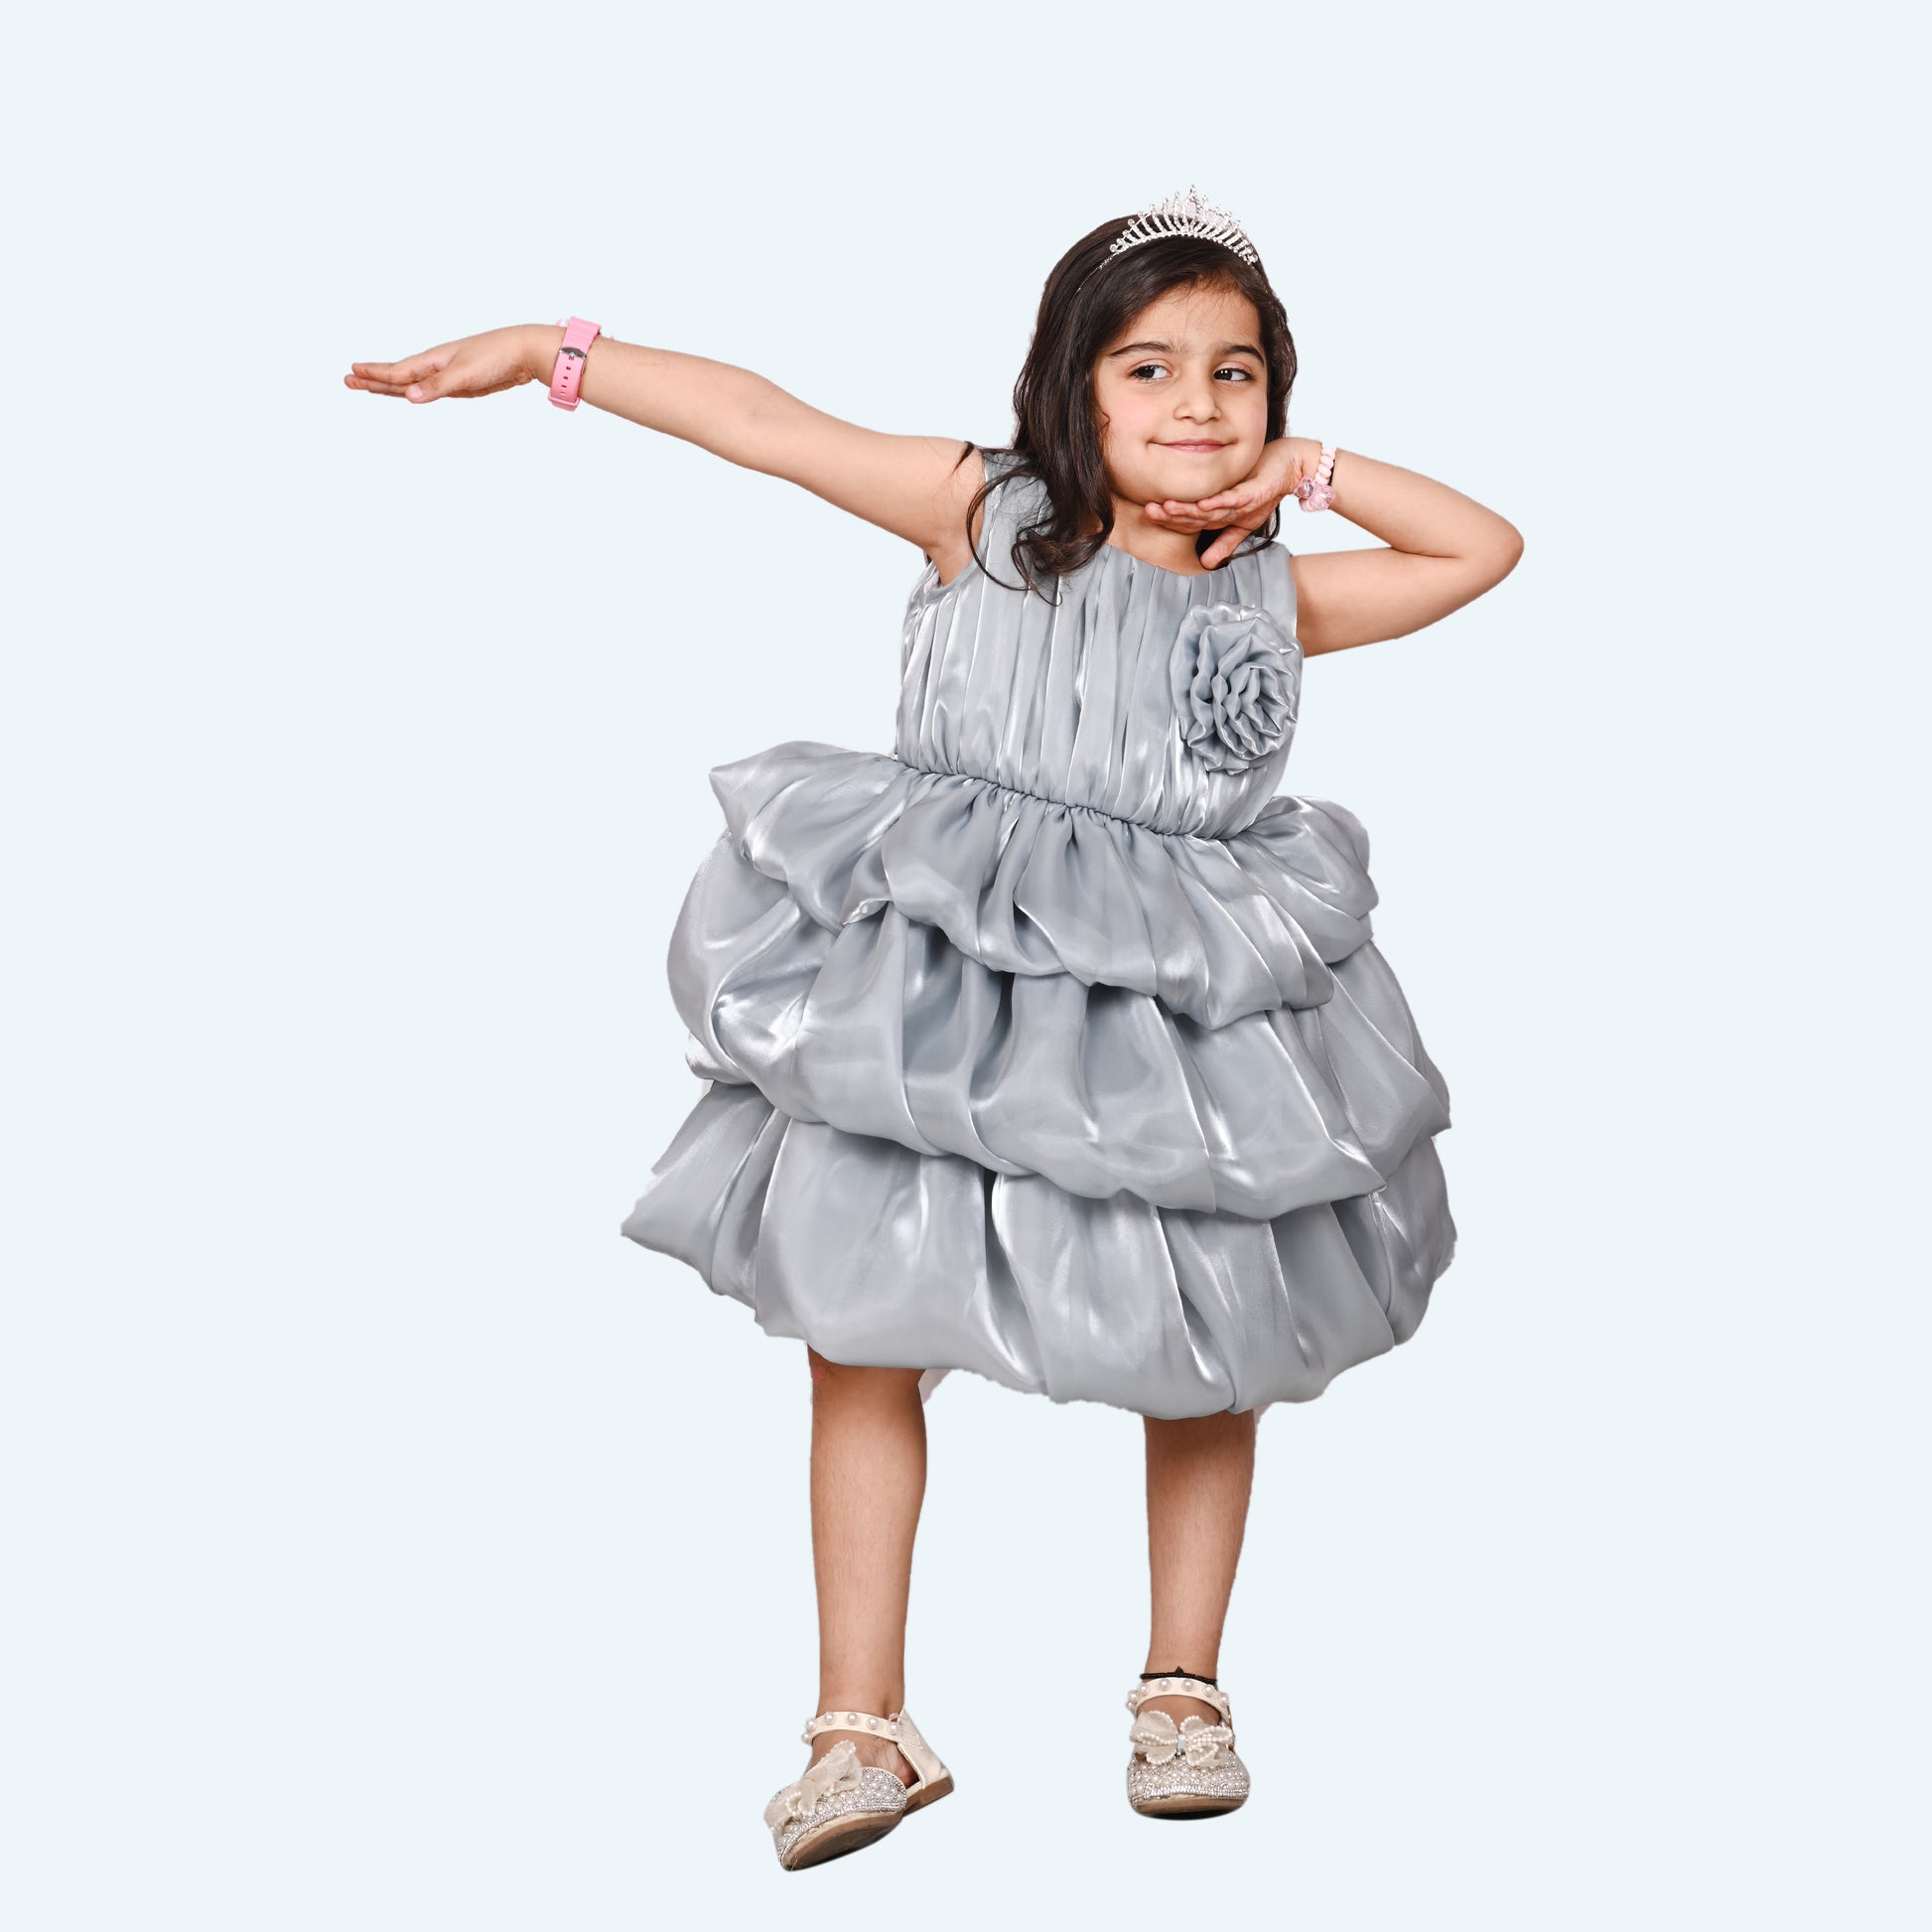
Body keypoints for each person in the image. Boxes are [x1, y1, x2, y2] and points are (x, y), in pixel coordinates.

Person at [345, 186, 1523, 1869]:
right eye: (1147, 368)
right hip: (947, 975)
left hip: (1175, 994)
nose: (1197, 404)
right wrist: (556, 353)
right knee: (860, 1323)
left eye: (1237, 373)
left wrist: (1310, 473)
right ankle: (860, 1723)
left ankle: (1181, 1685)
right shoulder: (984, 511)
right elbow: (762, 423)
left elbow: (1480, 549)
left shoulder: (1272, 593)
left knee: (1212, 1328)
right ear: (1070, 383)